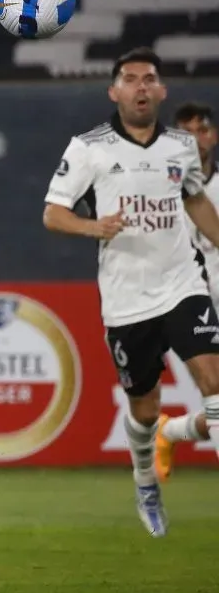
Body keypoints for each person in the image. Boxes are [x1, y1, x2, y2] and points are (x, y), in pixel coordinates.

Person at [43, 47, 219, 537]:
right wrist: (93, 227)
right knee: (144, 409)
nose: (141, 86)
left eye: (149, 79)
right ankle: (146, 478)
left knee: (214, 379)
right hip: (126, 298)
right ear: (114, 91)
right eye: (131, 79)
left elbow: (196, 200)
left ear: (160, 91)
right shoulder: (89, 147)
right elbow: (53, 213)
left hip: (183, 283)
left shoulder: (181, 146)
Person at [155, 101, 219, 480]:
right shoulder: (160, 192)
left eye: (202, 130)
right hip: (191, 305)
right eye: (186, 133)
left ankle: (170, 430)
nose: (196, 140)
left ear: (212, 135)